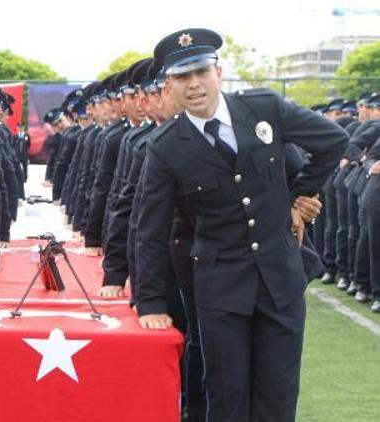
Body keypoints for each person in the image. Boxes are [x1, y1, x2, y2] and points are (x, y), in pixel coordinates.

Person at [134, 28, 347, 421]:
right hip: (220, 289)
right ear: (170, 85)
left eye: (201, 71)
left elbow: (333, 140)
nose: (194, 84)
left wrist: (298, 196)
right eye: (182, 76)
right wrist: (150, 300)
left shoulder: (265, 109)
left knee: (278, 398)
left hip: (280, 282)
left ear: (219, 71)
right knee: (227, 399)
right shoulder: (165, 147)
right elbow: (150, 227)